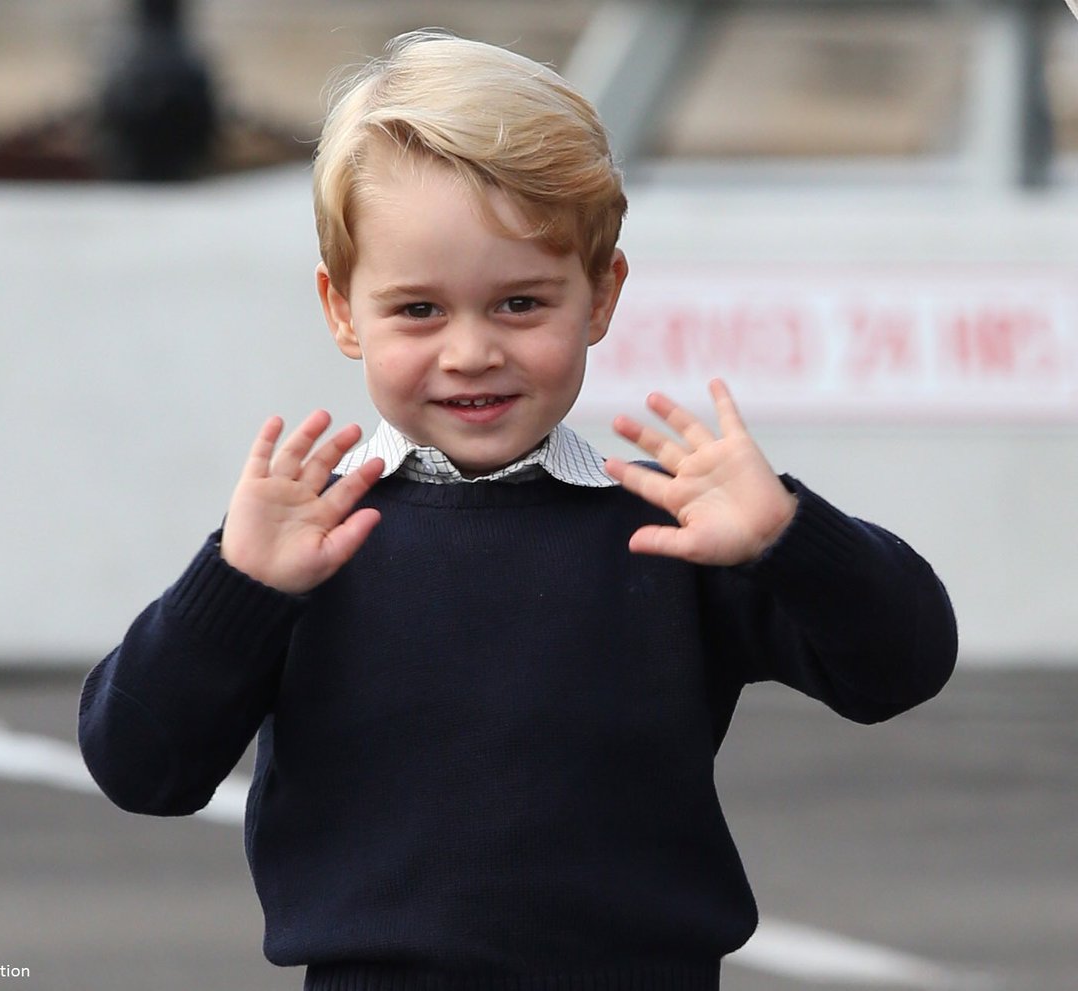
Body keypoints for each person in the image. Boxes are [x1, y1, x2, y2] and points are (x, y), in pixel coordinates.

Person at [78, 30, 957, 991]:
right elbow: (140, 765)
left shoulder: (670, 529)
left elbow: (902, 665)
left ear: (601, 295)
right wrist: (234, 585)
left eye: (520, 304)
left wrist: (791, 534)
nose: (470, 352)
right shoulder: (303, 546)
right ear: (341, 311)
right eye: (418, 310)